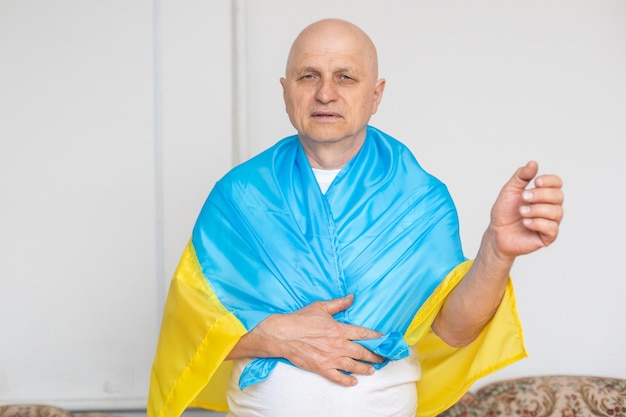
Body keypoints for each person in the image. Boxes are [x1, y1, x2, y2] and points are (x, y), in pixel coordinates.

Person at [148, 18, 564, 417]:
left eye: (345, 77)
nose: (326, 93)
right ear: (285, 90)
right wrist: (271, 336)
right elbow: (188, 330)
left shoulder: (420, 198)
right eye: (308, 76)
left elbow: (455, 330)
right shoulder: (239, 195)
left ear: (377, 94)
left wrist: (496, 249)